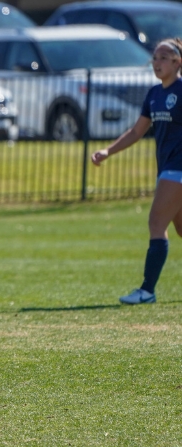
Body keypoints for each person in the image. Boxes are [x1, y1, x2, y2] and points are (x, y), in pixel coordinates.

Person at [92, 38, 182, 305]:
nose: (157, 63)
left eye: (164, 57)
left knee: (156, 223)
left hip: (177, 169)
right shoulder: (154, 94)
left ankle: (146, 290)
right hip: (167, 169)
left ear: (178, 61)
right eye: (154, 57)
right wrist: (108, 151)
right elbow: (136, 132)